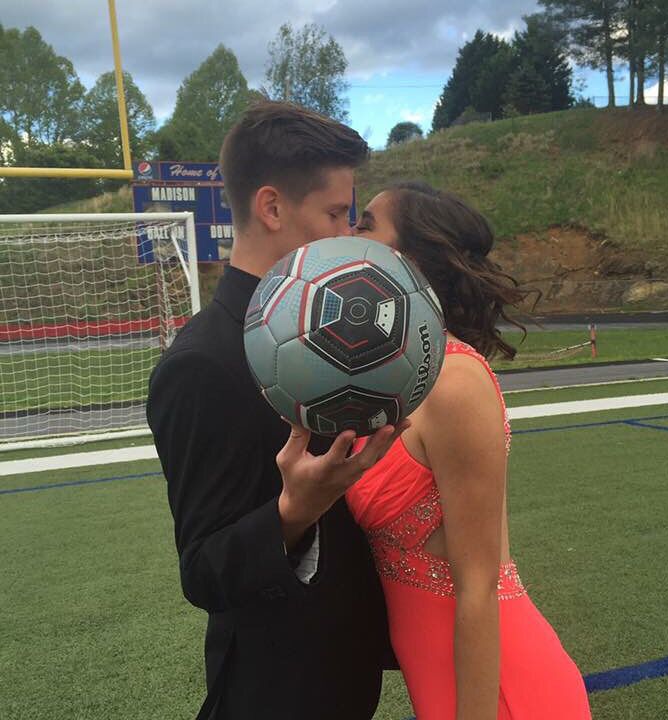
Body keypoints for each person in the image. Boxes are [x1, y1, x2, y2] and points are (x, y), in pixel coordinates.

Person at [146, 101, 409, 720]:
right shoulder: (200, 364)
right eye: (336, 213)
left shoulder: (343, 331)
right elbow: (203, 572)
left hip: (350, 671)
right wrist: (293, 511)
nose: (349, 233)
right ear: (271, 207)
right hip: (273, 692)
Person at [348, 181, 592, 720]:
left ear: (409, 259)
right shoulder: (391, 374)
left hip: (500, 692)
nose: (349, 235)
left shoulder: (454, 378)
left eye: (365, 224)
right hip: (441, 683)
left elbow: (478, 587)